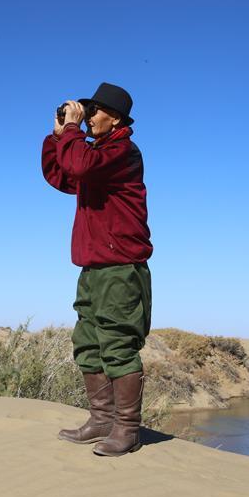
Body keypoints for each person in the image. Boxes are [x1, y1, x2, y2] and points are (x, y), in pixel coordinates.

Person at [41, 82, 153, 457]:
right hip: (93, 267)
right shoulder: (96, 157)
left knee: (118, 346)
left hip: (121, 268)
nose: (87, 119)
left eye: (93, 112)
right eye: (84, 113)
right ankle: (102, 420)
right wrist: (57, 136)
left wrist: (72, 133)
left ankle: (127, 429)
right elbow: (62, 176)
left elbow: (79, 164)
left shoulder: (122, 152)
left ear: (115, 117)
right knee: (88, 344)